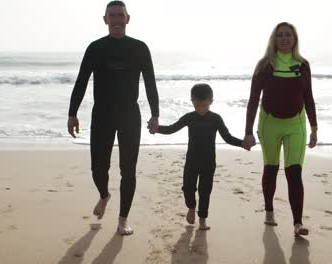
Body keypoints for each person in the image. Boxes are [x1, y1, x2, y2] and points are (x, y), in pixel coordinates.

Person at [67, 1, 159, 236]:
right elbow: (81, 81)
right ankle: (104, 195)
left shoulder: (139, 48)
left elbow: (150, 82)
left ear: (128, 19)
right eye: (112, 15)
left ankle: (122, 220)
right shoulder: (96, 48)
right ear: (105, 19)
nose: (117, 19)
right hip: (102, 115)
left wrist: (155, 114)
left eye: (121, 15)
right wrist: (72, 113)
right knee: (98, 168)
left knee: (128, 170)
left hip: (129, 114)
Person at [243, 22, 318, 236]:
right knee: (271, 168)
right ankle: (269, 210)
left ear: (294, 39)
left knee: (294, 172)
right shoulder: (265, 65)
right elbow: (253, 99)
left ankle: (298, 223)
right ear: (274, 40)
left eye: (288, 35)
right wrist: (248, 131)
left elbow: (309, 98)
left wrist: (314, 127)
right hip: (269, 123)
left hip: (296, 124)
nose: (284, 38)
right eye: (280, 35)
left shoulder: (302, 65)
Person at [153, 83, 245, 230]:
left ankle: (202, 220)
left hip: (209, 162)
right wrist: (157, 129)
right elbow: (172, 129)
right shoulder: (189, 117)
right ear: (192, 101)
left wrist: (242, 144)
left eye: (204, 105)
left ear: (211, 102)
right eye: (197, 106)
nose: (201, 109)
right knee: (187, 188)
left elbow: (227, 137)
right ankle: (191, 207)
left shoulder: (216, 119)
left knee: (205, 191)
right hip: (192, 161)